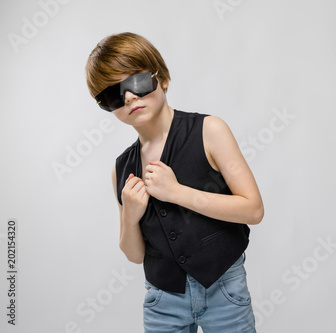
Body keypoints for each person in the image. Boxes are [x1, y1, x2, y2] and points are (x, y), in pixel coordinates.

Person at [85, 32, 264, 333]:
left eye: (137, 83)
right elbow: (134, 254)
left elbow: (253, 210)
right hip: (162, 300)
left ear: (163, 78)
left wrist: (177, 192)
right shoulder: (121, 168)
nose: (129, 98)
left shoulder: (210, 131)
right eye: (113, 95)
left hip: (224, 289)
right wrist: (130, 216)